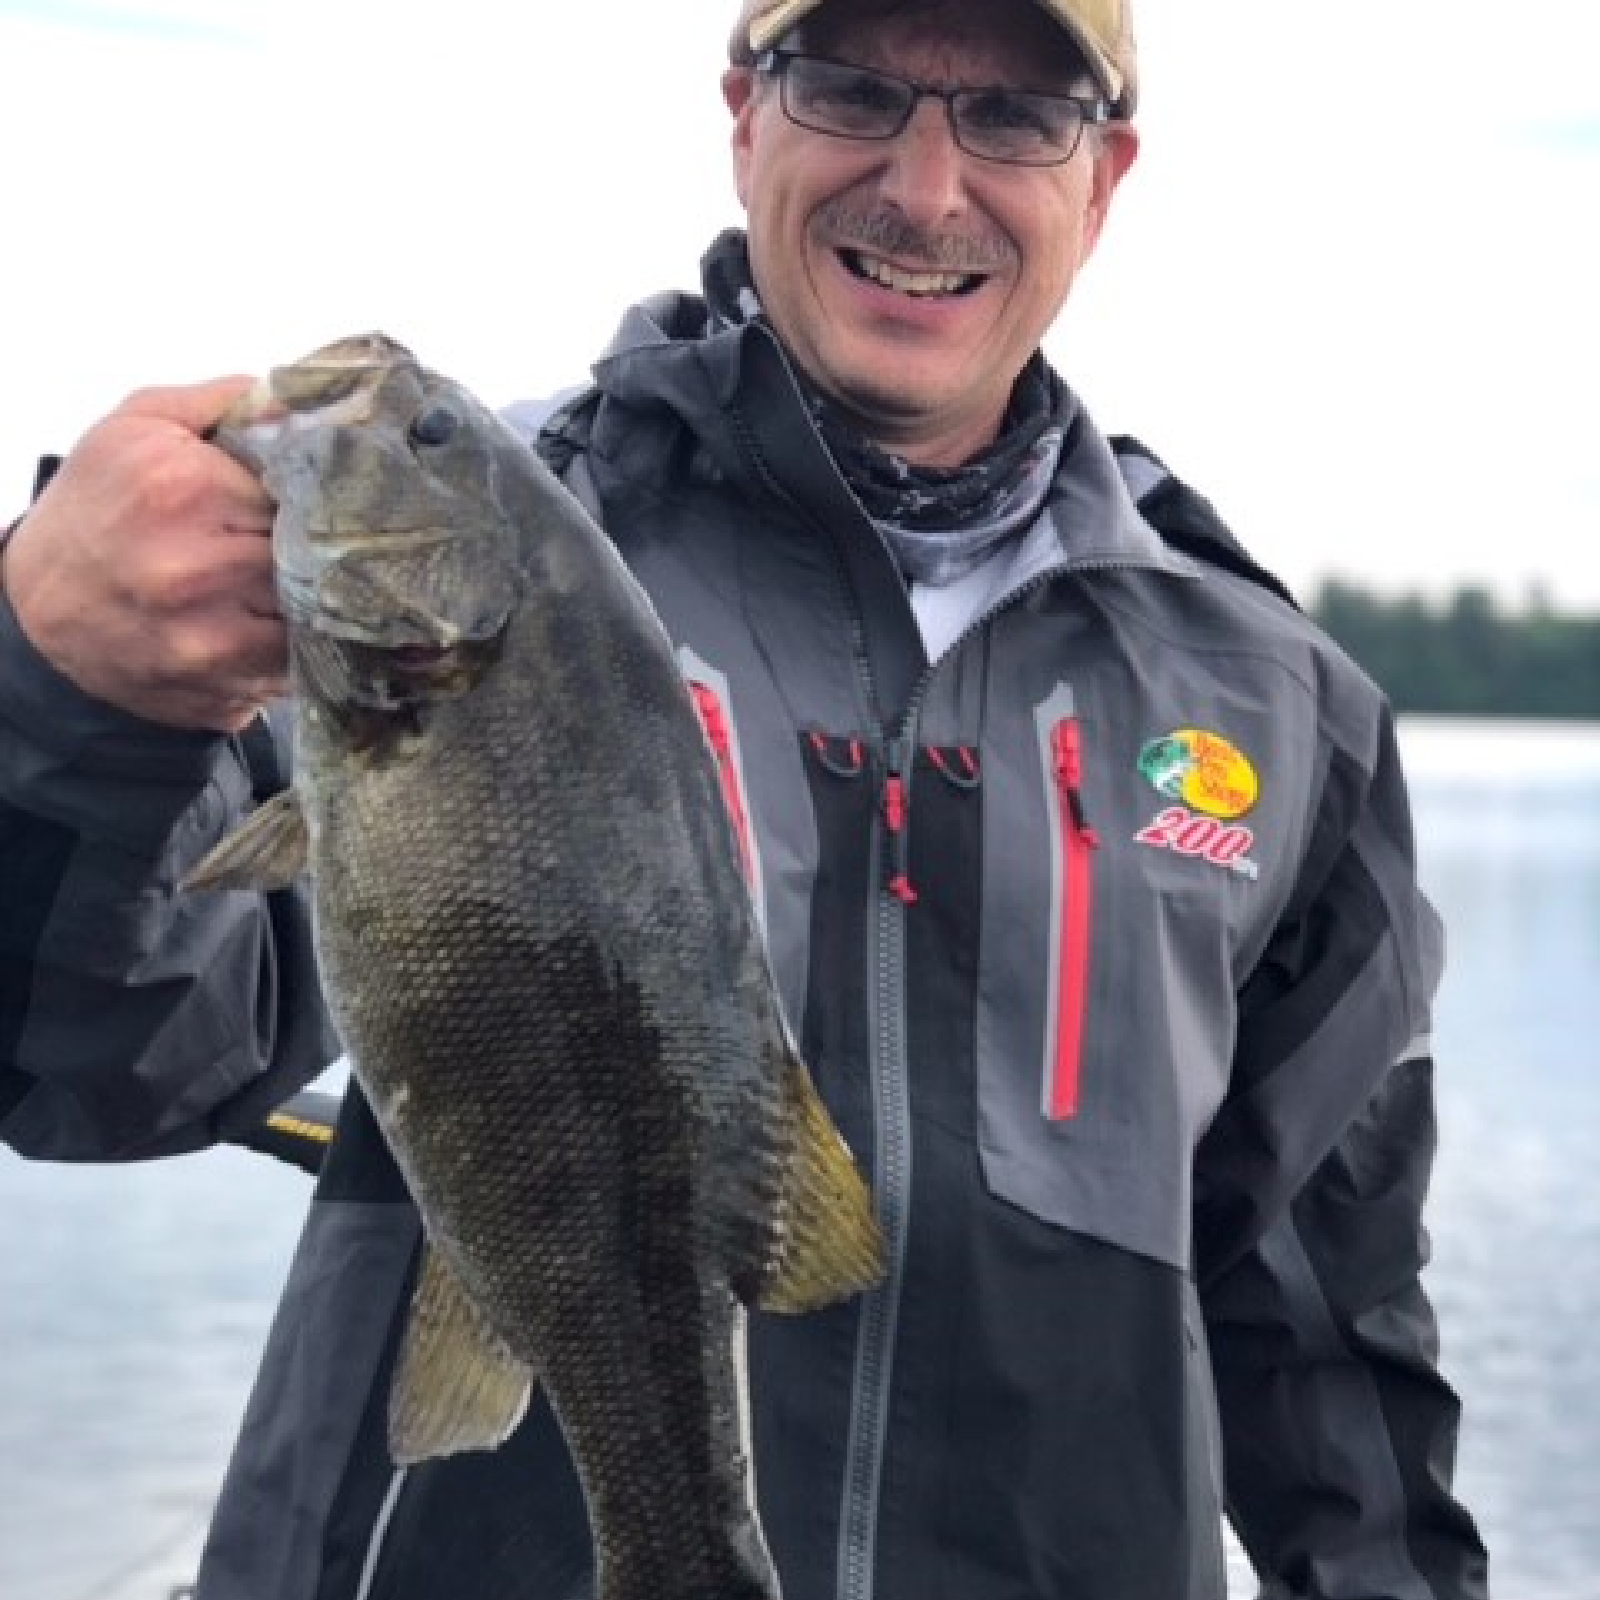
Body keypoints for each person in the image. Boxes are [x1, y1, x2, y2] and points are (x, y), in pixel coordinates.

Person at [0, 0, 1491, 1595]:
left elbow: (1337, 1353)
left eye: (1015, 117)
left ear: (1103, 177)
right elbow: (101, 1066)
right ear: (744, 115)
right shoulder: (480, 560)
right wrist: (54, 678)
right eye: (852, 89)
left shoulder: (1280, 702)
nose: (926, 189)